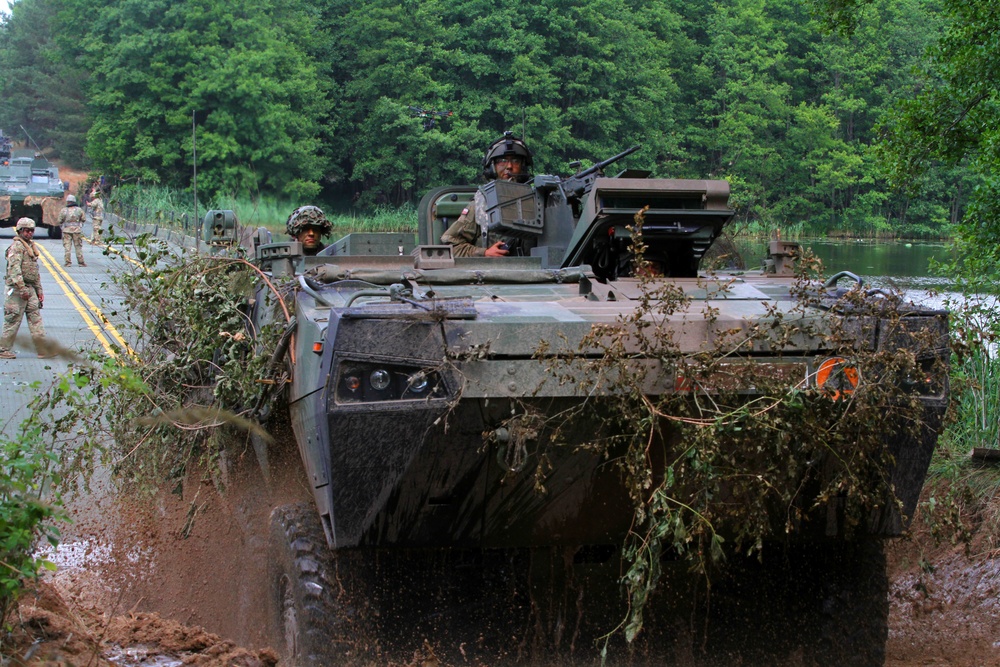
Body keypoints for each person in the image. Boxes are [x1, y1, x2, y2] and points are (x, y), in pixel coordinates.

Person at [440, 132, 534, 257]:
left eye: (515, 161)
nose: (509, 166)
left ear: (522, 167)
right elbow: (449, 244)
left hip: (532, 272)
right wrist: (484, 252)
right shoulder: (481, 204)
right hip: (489, 272)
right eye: (502, 161)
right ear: (492, 167)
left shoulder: (536, 202)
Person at [0, 218, 48, 359]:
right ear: (20, 231)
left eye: (32, 230)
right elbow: (14, 270)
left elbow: (34, 271)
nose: (30, 233)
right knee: (13, 319)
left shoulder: (30, 246)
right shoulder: (17, 247)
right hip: (17, 290)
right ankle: (3, 349)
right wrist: (21, 288)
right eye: (27, 231)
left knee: (36, 318)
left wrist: (39, 290)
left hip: (30, 287)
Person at [58, 194, 86, 266]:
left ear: (68, 202)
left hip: (67, 230)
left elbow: (59, 220)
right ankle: (81, 262)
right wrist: (80, 225)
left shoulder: (64, 210)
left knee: (67, 247)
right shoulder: (79, 210)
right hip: (77, 230)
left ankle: (68, 262)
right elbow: (83, 219)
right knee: (78, 246)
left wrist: (63, 227)